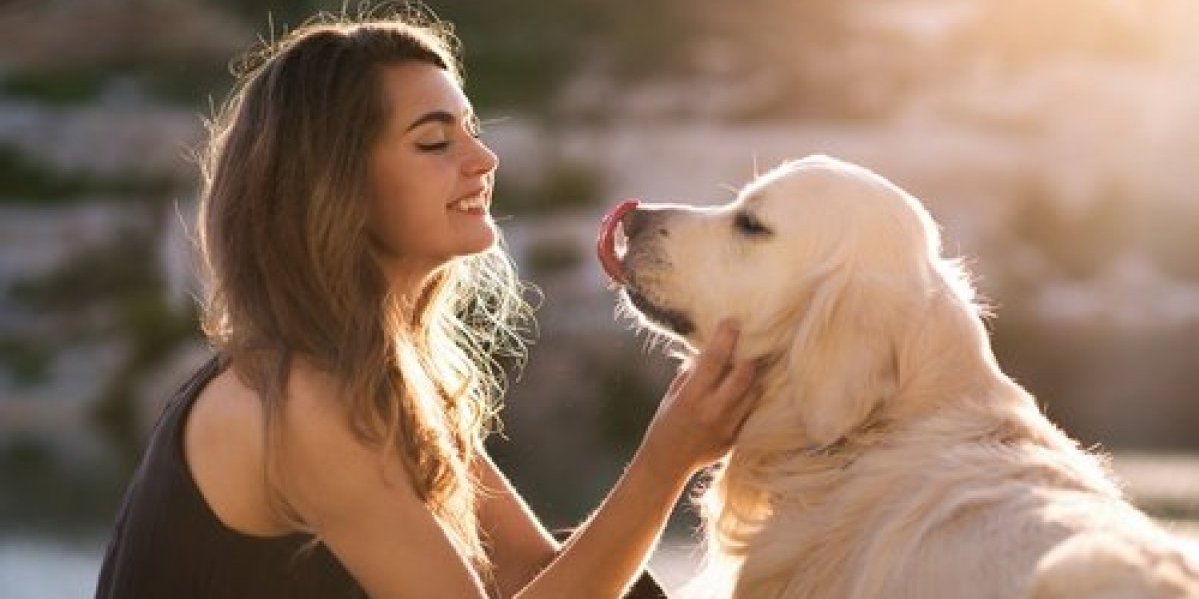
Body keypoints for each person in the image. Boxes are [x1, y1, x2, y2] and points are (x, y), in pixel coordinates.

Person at [95, 10, 757, 599]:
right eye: (435, 142)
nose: (484, 158)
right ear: (335, 184)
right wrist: (665, 461)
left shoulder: (382, 374)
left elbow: (528, 574)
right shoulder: (298, 402)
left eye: (472, 130)